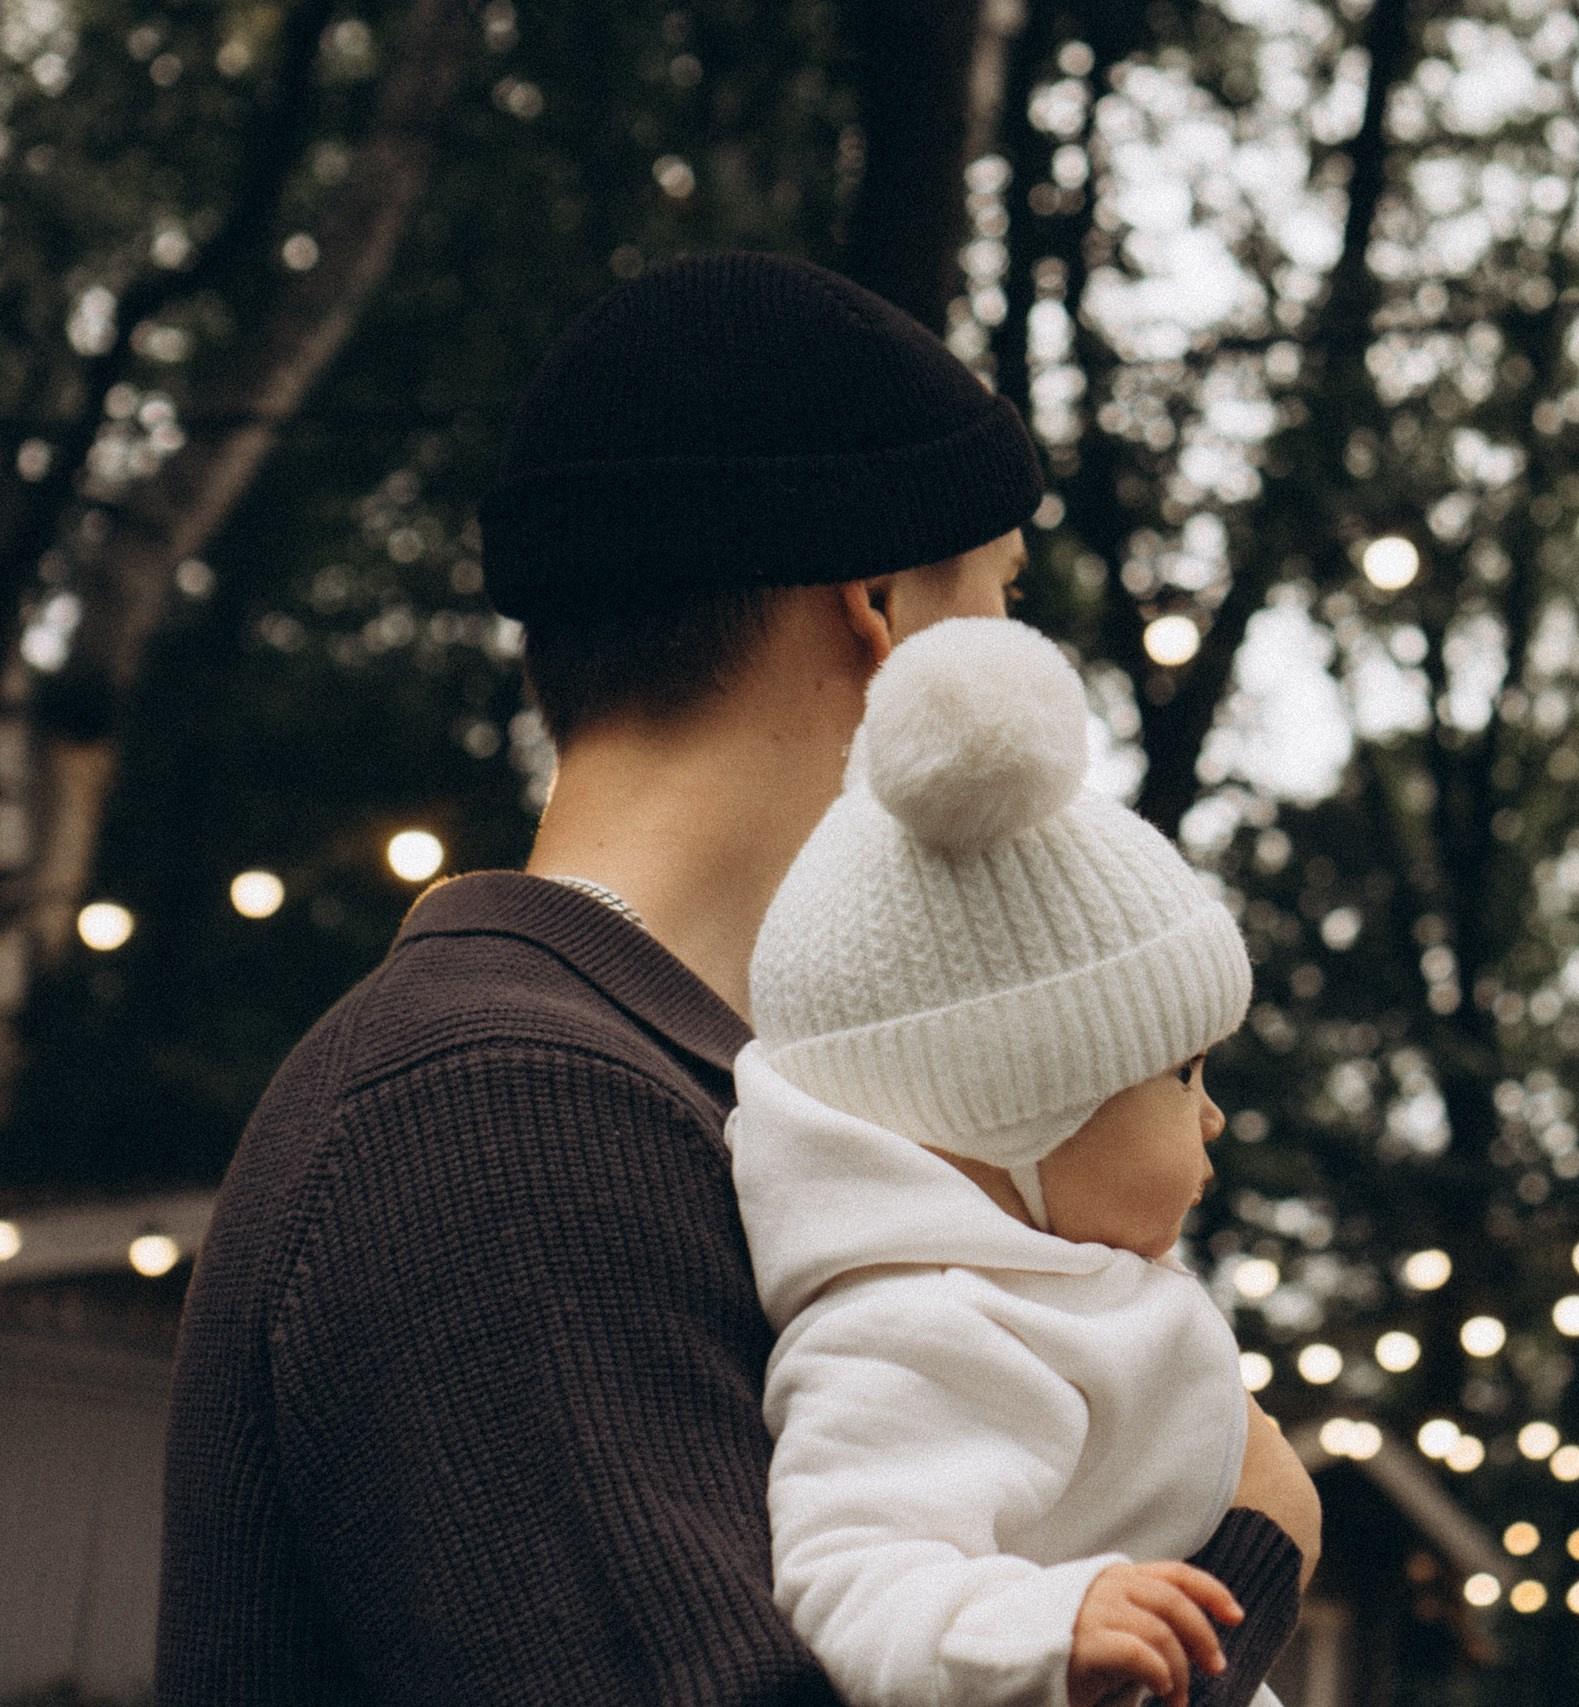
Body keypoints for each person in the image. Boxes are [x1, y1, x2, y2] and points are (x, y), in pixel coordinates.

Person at [156, 252, 1317, 1706]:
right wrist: (1246, 1546)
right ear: (882, 604)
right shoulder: (500, 1110)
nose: (1024, 647)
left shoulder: (692, 1108)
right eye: (1006, 592)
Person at [733, 615, 1291, 1707]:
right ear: (1014, 1113)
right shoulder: (919, 1325)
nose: (1214, 1118)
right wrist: (1042, 1623)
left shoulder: (1037, 1287)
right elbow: (849, 1575)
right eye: (1183, 1073)